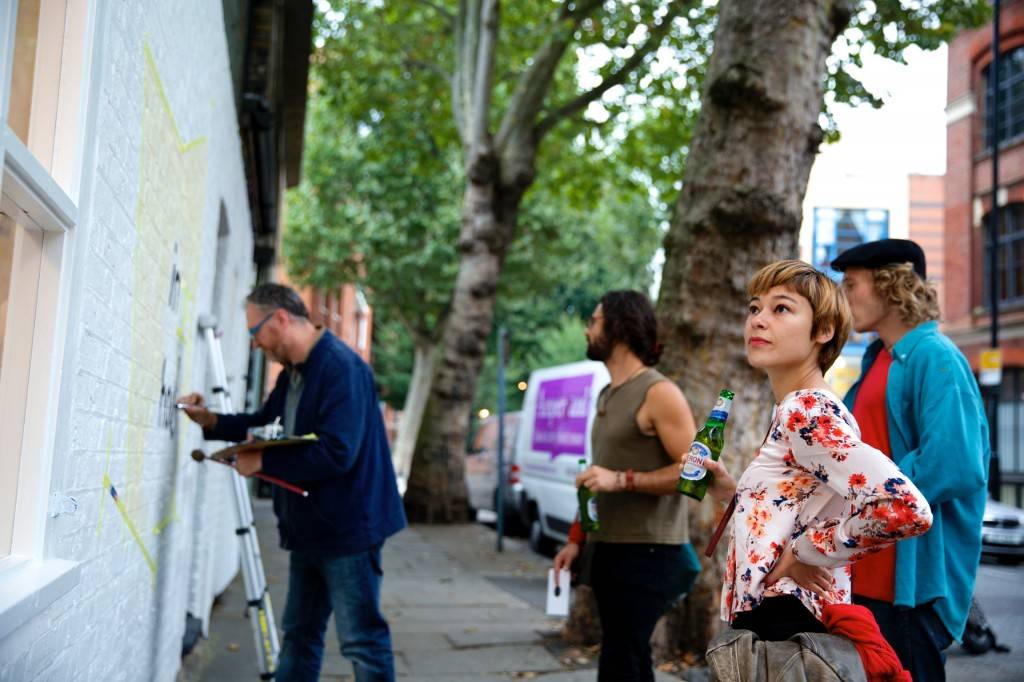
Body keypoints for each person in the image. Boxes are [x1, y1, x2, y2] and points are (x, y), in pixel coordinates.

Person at [178, 283, 406, 682]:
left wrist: (263, 459)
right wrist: (211, 421)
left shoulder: (342, 369)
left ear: (280, 319)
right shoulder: (293, 374)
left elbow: (338, 453)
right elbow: (264, 424)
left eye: (255, 332)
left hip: (349, 529)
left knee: (361, 642)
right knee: (299, 635)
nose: (254, 345)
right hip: (310, 527)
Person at [702, 260, 932, 645]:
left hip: (789, 622)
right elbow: (799, 510)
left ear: (823, 331)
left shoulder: (805, 410)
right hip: (785, 618)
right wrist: (731, 493)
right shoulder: (799, 408)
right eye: (754, 308)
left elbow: (904, 508)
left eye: (781, 308)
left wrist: (808, 552)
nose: (758, 320)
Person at [831, 238, 990, 681]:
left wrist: (865, 491)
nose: (844, 296)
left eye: (852, 284)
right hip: (864, 572)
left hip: (911, 587)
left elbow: (955, 464)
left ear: (890, 284)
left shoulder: (934, 356)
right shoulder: (877, 358)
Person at [551, 290, 698, 682]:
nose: (587, 330)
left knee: (621, 658)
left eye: (594, 321)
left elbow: (695, 474)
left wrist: (622, 480)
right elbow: (597, 477)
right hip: (608, 549)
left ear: (617, 328)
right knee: (626, 659)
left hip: (649, 551)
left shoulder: (658, 392)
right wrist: (575, 539)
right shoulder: (606, 394)